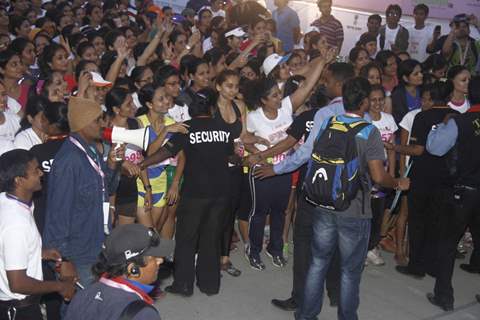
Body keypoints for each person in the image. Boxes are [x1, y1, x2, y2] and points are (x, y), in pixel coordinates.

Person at [294, 77, 410, 320]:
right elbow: (379, 176)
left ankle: (306, 314)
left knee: (318, 261)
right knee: (349, 270)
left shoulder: (329, 123)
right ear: (365, 102)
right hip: (354, 209)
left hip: (324, 202)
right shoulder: (369, 132)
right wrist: (398, 182)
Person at [257, 62, 357, 311]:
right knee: (337, 245)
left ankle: (301, 299)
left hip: (317, 192)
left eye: (328, 80)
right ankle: (336, 293)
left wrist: (276, 168)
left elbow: (304, 153)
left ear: (338, 85)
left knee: (305, 248)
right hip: (348, 192)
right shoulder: (361, 113)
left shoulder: (322, 115)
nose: (324, 84)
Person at [141, 89, 237, 297]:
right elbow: (233, 157)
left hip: (195, 194)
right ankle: (210, 285)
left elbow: (165, 153)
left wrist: (141, 164)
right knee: (211, 238)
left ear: (192, 111)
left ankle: (183, 285)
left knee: (186, 239)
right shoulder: (223, 129)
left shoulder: (187, 129)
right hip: (221, 193)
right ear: (211, 109)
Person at [43, 97, 121, 288]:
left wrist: (111, 165)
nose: (103, 124)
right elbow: (58, 215)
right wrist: (63, 261)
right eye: (97, 120)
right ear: (82, 124)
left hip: (96, 243)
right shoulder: (69, 161)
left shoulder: (91, 150)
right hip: (78, 253)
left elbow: (107, 189)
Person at [385, 81, 459, 281]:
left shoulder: (423, 117)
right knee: (438, 223)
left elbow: (417, 149)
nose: (422, 102)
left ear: (432, 99)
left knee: (418, 222)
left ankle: (417, 265)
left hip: (423, 177)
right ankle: (434, 265)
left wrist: (396, 148)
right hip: (448, 180)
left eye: (424, 98)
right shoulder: (457, 118)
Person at [425, 76, 480, 311]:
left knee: (447, 243)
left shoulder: (461, 122)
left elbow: (435, 148)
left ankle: (444, 296)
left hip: (463, 192)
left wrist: (439, 126)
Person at [0, 149, 75, 320]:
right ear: (19, 180)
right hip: (19, 311)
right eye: (35, 171)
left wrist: (39, 253)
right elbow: (18, 283)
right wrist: (60, 287)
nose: (41, 173)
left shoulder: (6, 200)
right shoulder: (16, 223)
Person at [65, 224, 173, 320]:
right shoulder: (143, 314)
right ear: (133, 270)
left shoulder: (82, 295)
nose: (160, 260)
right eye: (154, 258)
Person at [391, 59, 424, 124]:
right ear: (405, 78)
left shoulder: (423, 91)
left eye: (421, 72)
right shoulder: (398, 95)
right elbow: (400, 120)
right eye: (416, 74)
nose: (421, 75)